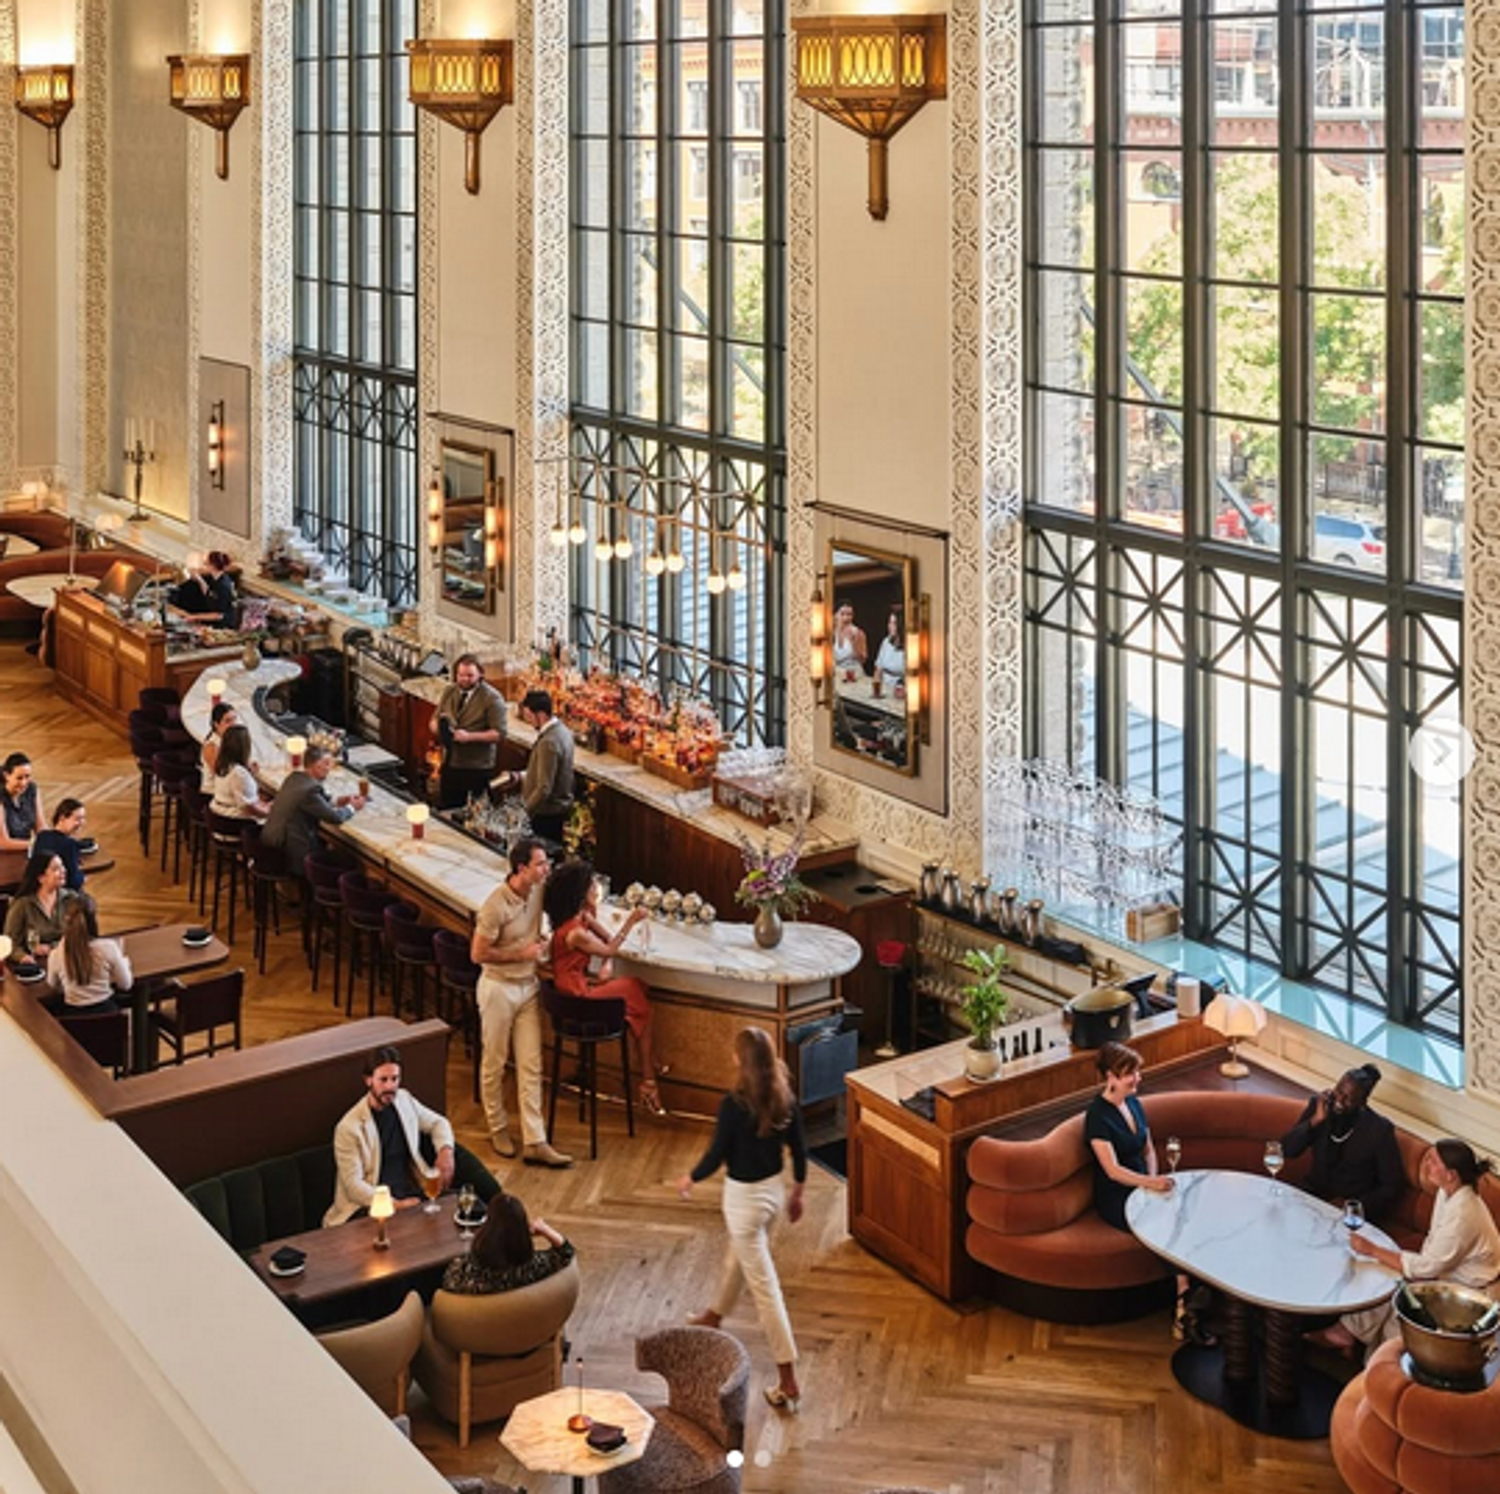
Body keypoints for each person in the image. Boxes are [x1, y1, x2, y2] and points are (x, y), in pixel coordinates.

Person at [674, 1027, 807, 1413]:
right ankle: (713, 1316)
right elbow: (799, 1151)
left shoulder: (733, 1106)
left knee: (766, 1290)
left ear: (741, 1062)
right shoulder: (785, 1098)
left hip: (743, 1204)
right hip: (773, 1196)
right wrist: (797, 1193)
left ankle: (788, 1380)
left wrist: (691, 1177)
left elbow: (717, 1153)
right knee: (742, 1257)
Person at [1311, 1139, 1500, 1356]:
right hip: (1443, 1270)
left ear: (1451, 1175)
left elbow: (1427, 1267)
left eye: (1433, 1161)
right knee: (1387, 1275)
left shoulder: (1463, 1215)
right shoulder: (1448, 1191)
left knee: (1402, 1303)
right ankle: (1346, 1332)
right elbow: (1432, 1256)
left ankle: (1381, 1366)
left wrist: (1372, 1250)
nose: (1426, 1164)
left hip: (1469, 1292)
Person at [1084, 1042, 1209, 1343]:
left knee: (1187, 1214)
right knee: (1166, 1226)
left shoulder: (1135, 1104)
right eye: (1131, 1073)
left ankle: (1191, 1299)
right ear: (1111, 1076)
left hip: (1144, 1185)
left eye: (1138, 1071)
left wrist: (1153, 1178)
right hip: (1117, 1196)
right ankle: (1184, 1306)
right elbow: (1112, 1171)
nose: (1138, 1078)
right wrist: (1149, 1185)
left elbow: (1149, 1148)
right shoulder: (1097, 1116)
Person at [470, 837, 572, 1169]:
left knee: (531, 1065)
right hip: (498, 989)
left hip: (528, 987)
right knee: (495, 1062)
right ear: (521, 869)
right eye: (540, 864)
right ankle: (497, 1128)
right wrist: (521, 953)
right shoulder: (495, 905)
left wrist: (541, 942)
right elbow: (478, 953)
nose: (547, 869)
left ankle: (535, 1140)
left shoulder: (538, 890)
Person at [543, 858, 665, 1116]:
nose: (596, 887)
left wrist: (605, 965)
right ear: (581, 892)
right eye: (591, 884)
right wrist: (631, 921)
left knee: (639, 990)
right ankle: (648, 1078)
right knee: (636, 994)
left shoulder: (583, 917)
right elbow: (610, 947)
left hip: (575, 989)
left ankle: (649, 1064)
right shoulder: (575, 932)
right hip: (577, 998)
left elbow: (608, 943)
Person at [324, 1045, 457, 1227]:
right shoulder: (349, 1127)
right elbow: (354, 1187)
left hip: (409, 1191)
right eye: (383, 1080)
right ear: (368, 1080)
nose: (390, 1086)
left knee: (458, 1210)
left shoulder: (404, 1099)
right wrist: (395, 1205)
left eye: (395, 1079)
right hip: (370, 1206)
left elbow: (438, 1123)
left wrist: (445, 1152)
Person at [1282, 1063, 1404, 1224]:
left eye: (1348, 1099)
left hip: (1349, 1212)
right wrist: (1314, 1121)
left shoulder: (1379, 1130)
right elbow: (1286, 1150)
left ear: (1362, 1103)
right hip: (1312, 1199)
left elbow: (1391, 1186)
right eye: (1338, 1091)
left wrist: (1352, 1206)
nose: (1339, 1101)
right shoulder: (1319, 1107)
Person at [441, 1193, 575, 1296]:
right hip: (524, 1327)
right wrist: (544, 1229)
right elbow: (566, 1252)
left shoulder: (464, 1272)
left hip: (475, 1329)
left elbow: (446, 1287)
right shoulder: (536, 1267)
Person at [261, 745, 366, 868]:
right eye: (326, 764)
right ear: (316, 765)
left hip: (270, 841)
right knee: (349, 860)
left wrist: (340, 801)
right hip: (288, 851)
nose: (329, 769)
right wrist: (352, 807)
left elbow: (315, 801)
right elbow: (335, 818)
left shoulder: (294, 778)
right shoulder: (310, 790)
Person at [432, 653, 507, 809]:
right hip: (450, 763)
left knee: (473, 814)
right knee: (447, 809)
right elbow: (434, 719)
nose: (464, 679)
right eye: (460, 675)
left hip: (477, 768)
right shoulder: (450, 691)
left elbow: (499, 734)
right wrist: (439, 729)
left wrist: (469, 737)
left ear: (480, 674)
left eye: (470, 675)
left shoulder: (492, 698)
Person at [44, 899, 131, 1013]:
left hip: (73, 1020)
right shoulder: (108, 948)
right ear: (94, 920)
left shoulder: (56, 954)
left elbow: (52, 985)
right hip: (107, 1017)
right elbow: (125, 984)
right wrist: (124, 962)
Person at [511, 689, 574, 842]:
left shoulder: (549, 742)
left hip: (546, 813)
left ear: (541, 715)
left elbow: (544, 788)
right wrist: (523, 776)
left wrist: (524, 812)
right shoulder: (563, 731)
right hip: (557, 809)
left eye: (529, 716)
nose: (528, 720)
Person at [3, 851, 76, 970]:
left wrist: (51, 948)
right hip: (36, 965)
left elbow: (81, 935)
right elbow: (10, 944)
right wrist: (23, 957)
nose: (64, 870)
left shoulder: (71, 899)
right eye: (56, 869)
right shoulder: (22, 905)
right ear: (41, 878)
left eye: (62, 866)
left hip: (67, 960)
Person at [210, 724, 270, 821]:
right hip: (237, 822)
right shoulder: (239, 773)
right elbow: (248, 807)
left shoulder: (222, 765)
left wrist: (251, 775)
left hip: (220, 814)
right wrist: (269, 812)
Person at [33, 798, 90, 893]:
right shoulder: (69, 844)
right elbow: (73, 882)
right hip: (59, 894)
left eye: (83, 818)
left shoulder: (42, 836)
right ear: (62, 818)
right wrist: (83, 877)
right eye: (78, 819)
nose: (82, 823)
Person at [172, 551, 236, 622]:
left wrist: (194, 617)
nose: (204, 564)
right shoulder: (217, 578)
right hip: (212, 615)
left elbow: (219, 614)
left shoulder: (223, 586)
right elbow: (209, 594)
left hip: (222, 623)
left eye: (207, 563)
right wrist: (200, 580)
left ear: (213, 566)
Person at [1, 751, 44, 850]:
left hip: (26, 848)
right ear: (7, 775)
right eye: (19, 778)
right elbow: (2, 842)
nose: (24, 783)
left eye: (27, 776)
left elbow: (40, 826)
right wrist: (35, 844)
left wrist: (51, 840)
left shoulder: (32, 790)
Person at [200, 701, 240, 788]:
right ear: (216, 724)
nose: (233, 724)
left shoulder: (228, 738)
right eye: (228, 721)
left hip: (226, 786)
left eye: (234, 719)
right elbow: (222, 775)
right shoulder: (211, 746)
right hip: (213, 791)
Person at [831, 603, 867, 675]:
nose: (846, 618)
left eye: (849, 614)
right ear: (835, 616)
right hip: (837, 672)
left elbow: (862, 660)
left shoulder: (858, 633)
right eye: (842, 614)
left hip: (854, 672)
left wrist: (853, 642)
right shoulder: (831, 633)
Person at [873, 610, 906, 689]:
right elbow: (878, 668)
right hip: (884, 684)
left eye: (894, 623)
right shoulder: (886, 641)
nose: (890, 626)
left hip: (899, 687)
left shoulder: (910, 646)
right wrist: (876, 686)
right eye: (889, 623)